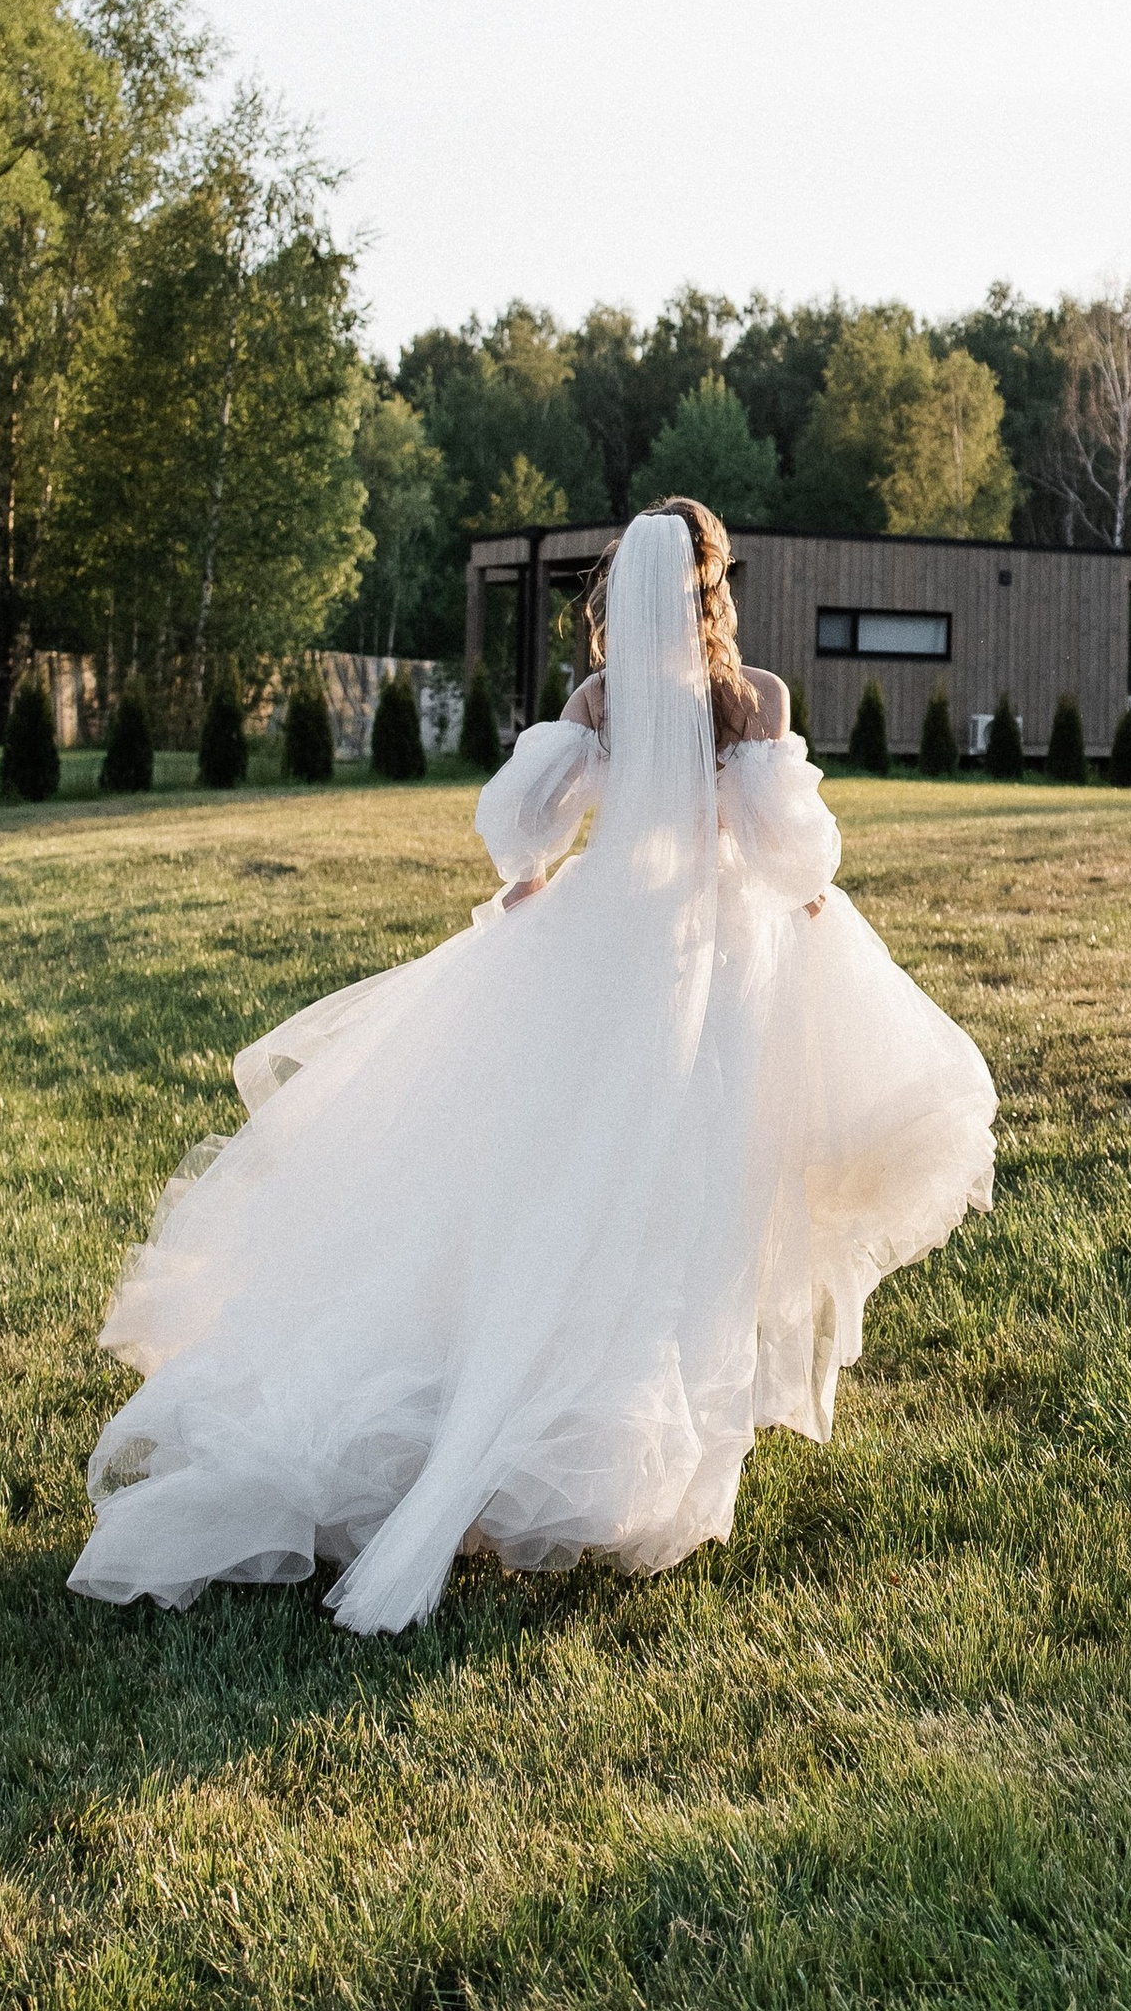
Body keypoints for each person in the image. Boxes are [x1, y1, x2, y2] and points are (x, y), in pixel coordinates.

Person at [68, 500, 996, 1632]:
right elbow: (792, 850)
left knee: (559, 1187)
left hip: (599, 947)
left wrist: (531, 878)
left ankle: (528, 1410)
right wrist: (802, 889)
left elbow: (519, 826)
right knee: (682, 1202)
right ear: (714, 584)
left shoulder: (599, 701)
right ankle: (623, 1449)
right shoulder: (755, 700)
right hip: (708, 962)